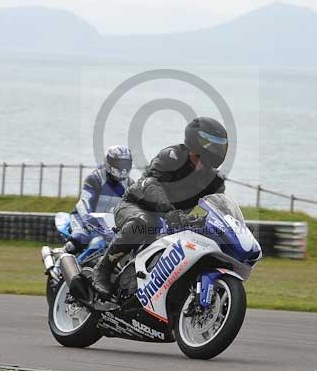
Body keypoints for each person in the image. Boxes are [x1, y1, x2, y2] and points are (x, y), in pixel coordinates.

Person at [91, 117, 228, 295]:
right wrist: (169, 211)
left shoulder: (215, 181)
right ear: (198, 140)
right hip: (135, 206)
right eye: (214, 144)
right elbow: (151, 183)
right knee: (145, 222)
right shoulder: (173, 156)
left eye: (221, 145)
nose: (219, 149)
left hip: (174, 221)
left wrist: (200, 220)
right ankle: (102, 270)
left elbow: (210, 207)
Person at [65, 145, 133, 254]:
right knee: (77, 240)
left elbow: (133, 208)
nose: (123, 168)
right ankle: (59, 264)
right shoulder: (95, 178)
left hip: (108, 224)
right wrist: (90, 221)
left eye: (126, 163)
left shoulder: (130, 184)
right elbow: (84, 203)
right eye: (119, 163)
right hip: (83, 218)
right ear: (109, 162)